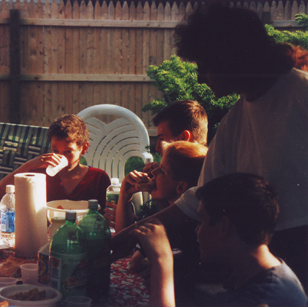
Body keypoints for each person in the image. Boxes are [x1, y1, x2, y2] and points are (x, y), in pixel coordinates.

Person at [112, 3, 308, 289]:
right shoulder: (235, 122)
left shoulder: (301, 96)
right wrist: (129, 236)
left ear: (233, 57)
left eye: (205, 66)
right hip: (257, 267)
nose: (201, 77)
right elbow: (199, 199)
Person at [131, 173, 307, 307]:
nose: (197, 231)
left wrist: (163, 263)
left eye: (201, 222)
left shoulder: (263, 299)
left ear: (223, 227)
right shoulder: (254, 276)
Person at [0, 114, 111, 209]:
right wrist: (29, 165)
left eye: (68, 151)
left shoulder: (98, 178)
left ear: (83, 148)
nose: (60, 157)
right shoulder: (40, 175)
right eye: (55, 150)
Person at [115, 141, 207, 233]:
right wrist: (125, 194)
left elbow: (122, 242)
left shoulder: (180, 229)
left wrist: (123, 193)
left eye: (162, 171)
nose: (153, 172)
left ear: (180, 187)